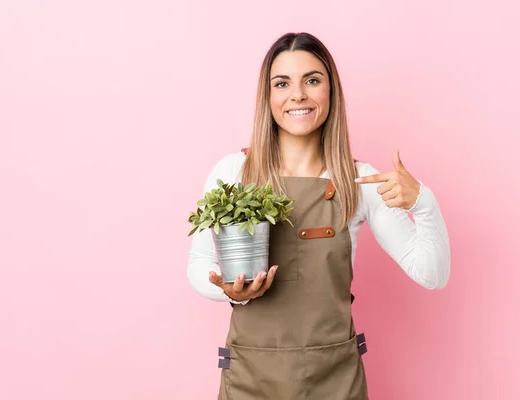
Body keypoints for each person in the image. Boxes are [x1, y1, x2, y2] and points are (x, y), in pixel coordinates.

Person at [187, 32, 450, 400]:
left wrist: (423, 202)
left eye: (312, 80)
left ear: (331, 92)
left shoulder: (361, 181)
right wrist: (229, 291)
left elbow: (432, 274)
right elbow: (199, 263)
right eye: (282, 83)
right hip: (250, 379)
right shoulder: (233, 172)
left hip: (335, 383)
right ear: (268, 97)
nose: (298, 95)